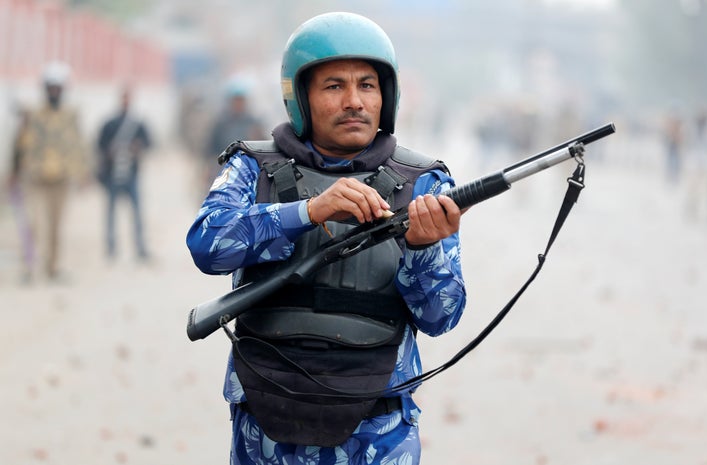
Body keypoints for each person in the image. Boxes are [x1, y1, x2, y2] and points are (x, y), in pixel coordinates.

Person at [186, 12, 466, 465]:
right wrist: (306, 212)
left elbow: (440, 316)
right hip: (268, 412)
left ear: (386, 97)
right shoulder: (252, 168)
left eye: (367, 85)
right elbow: (206, 244)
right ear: (301, 97)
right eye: (334, 86)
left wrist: (422, 248)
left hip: (378, 424)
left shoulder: (425, 184)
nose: (354, 101)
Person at [10, 61, 88, 282]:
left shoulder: (70, 116)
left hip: (61, 180)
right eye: (51, 87)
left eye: (58, 88)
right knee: (33, 225)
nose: (54, 91)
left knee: (55, 228)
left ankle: (52, 268)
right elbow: (19, 145)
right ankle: (28, 268)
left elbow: (78, 146)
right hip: (35, 179)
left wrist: (83, 173)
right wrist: (13, 172)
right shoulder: (33, 115)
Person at [96, 87, 153, 261]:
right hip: (113, 174)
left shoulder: (137, 124)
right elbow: (99, 146)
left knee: (136, 213)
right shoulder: (110, 124)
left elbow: (149, 143)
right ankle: (111, 248)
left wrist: (137, 147)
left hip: (132, 173)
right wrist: (110, 152)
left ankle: (140, 248)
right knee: (111, 213)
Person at [202, 76, 265, 190]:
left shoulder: (253, 122)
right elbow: (210, 148)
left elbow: (263, 147)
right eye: (236, 100)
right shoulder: (221, 123)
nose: (238, 103)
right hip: (224, 170)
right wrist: (207, 168)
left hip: (248, 171)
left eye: (241, 100)